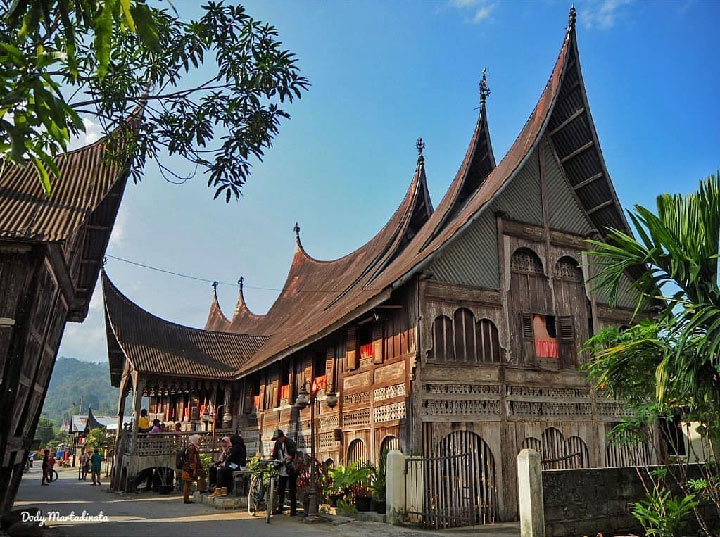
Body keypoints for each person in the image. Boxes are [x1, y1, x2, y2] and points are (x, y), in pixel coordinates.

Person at [271, 429, 297, 516]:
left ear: (282, 437)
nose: (277, 440)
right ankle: (280, 507)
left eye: (278, 438)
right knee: (280, 489)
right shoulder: (277, 444)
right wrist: (272, 459)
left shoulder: (289, 442)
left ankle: (293, 510)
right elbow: (274, 455)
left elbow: (293, 454)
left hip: (290, 468)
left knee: (292, 489)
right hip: (282, 468)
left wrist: (288, 458)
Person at [181, 434, 206, 504]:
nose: (199, 442)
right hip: (189, 469)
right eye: (198, 440)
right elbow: (192, 459)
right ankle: (186, 499)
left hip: (188, 468)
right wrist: (194, 469)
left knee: (188, 483)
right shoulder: (192, 448)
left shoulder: (191, 447)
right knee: (188, 483)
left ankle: (187, 498)